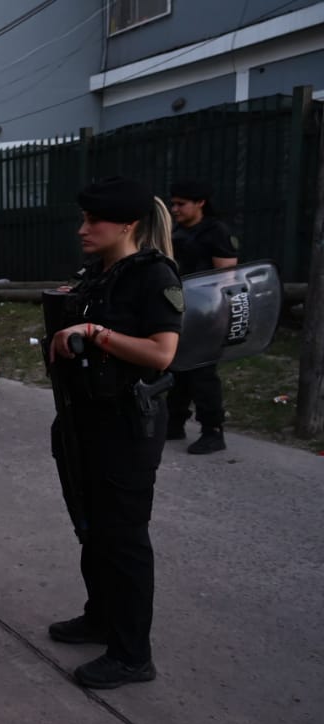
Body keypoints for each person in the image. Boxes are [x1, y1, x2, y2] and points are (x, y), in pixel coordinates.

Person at [46, 177, 183, 689]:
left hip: (126, 427)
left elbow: (161, 352)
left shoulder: (153, 275)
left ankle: (132, 654)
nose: (82, 229)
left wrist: (94, 333)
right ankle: (101, 617)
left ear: (126, 224)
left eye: (92, 221)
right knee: (93, 528)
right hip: (86, 422)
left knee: (124, 538)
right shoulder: (100, 273)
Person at [167, 179, 239, 455]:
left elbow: (227, 278)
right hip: (182, 310)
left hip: (208, 314)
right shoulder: (177, 231)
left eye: (181, 204)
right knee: (178, 368)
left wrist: (220, 316)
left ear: (200, 203)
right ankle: (174, 424)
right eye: (173, 203)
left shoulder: (215, 232)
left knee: (202, 373)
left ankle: (213, 431)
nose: (175, 209)